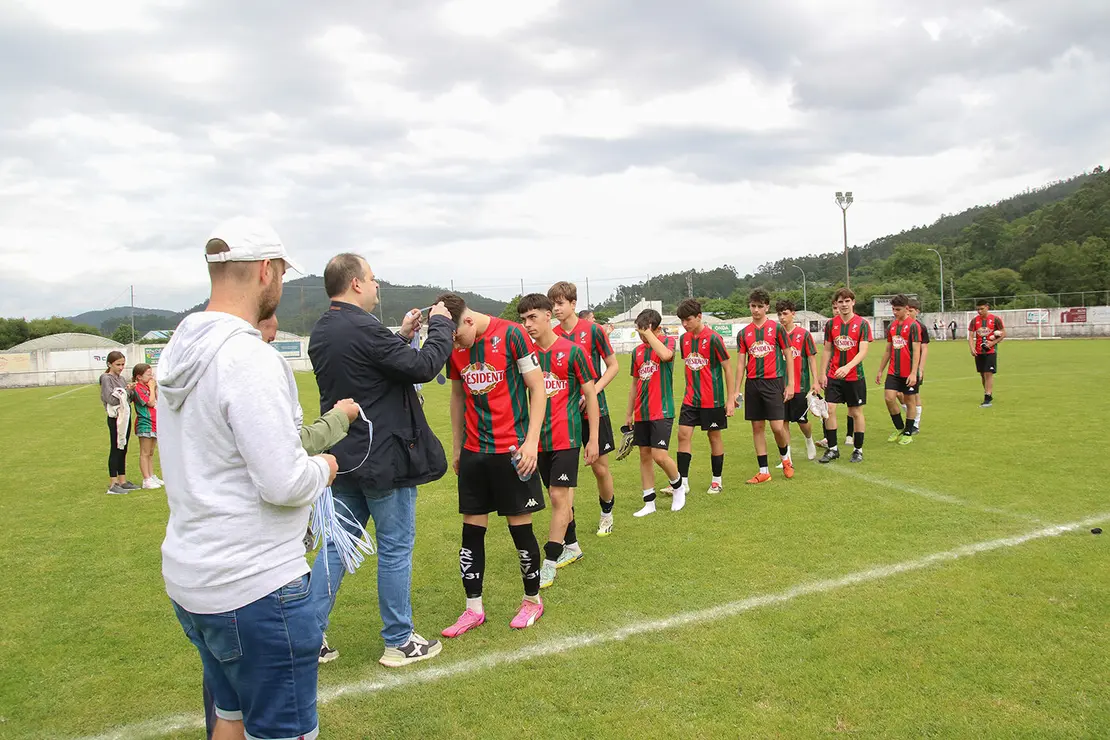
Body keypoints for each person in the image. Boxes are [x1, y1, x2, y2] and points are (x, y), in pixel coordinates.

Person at [159, 216, 337, 740]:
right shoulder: (247, 357)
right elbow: (283, 482)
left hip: (196, 580)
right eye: (280, 273)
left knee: (229, 718)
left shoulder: (179, 349)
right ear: (267, 271)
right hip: (255, 587)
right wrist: (325, 467)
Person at [308, 253, 454, 667]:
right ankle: (399, 640)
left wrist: (401, 333)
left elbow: (371, 365)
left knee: (336, 546)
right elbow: (423, 365)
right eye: (372, 280)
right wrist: (440, 324)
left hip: (344, 456)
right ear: (355, 283)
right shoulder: (363, 329)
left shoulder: (325, 328)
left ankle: (308, 635)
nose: (377, 287)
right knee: (394, 547)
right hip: (384, 457)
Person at [437, 292, 549, 637]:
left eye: (456, 334)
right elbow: (457, 397)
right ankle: (473, 609)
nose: (454, 341)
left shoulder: (512, 334)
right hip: (474, 453)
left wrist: (531, 442)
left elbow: (538, 387)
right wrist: (457, 446)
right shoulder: (454, 347)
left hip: (513, 451)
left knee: (521, 530)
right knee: (471, 532)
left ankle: (532, 600)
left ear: (468, 320)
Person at [517, 294, 599, 589]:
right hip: (536, 441)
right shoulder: (525, 356)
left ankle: (549, 561)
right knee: (558, 499)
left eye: (532, 318)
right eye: (523, 319)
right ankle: (573, 545)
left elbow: (590, 395)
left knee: (557, 497)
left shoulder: (573, 351)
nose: (527, 324)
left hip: (567, 438)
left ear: (548, 316)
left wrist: (593, 438)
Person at [549, 281, 619, 538]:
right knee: (565, 476)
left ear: (573, 304)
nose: (556, 309)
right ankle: (569, 528)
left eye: (560, 303)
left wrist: (594, 391)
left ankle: (607, 513)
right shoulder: (552, 334)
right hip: (563, 415)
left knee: (599, 468)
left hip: (594, 411)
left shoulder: (593, 331)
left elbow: (612, 366)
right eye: (553, 304)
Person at [626, 308, 686, 515]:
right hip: (642, 412)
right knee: (644, 456)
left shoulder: (668, 342)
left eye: (644, 333)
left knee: (660, 456)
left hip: (662, 410)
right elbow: (634, 384)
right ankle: (649, 502)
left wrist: (650, 334)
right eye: (640, 333)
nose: (642, 337)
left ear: (656, 329)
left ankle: (678, 487)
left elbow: (666, 355)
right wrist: (629, 413)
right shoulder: (637, 352)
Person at [733, 289, 795, 484]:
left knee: (777, 427)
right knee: (757, 427)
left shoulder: (776, 329)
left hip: (773, 382)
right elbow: (741, 363)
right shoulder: (744, 334)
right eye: (753, 306)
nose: (756, 310)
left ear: (767, 307)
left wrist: (790, 384)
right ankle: (763, 471)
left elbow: (788, 355)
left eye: (760, 306)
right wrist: (736, 389)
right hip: (753, 384)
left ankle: (786, 459)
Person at [675, 298, 734, 493]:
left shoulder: (714, 339)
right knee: (683, 435)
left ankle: (716, 480)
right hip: (691, 398)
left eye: (688, 319)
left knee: (713, 436)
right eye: (682, 320)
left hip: (712, 399)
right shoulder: (683, 339)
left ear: (699, 317)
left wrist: (730, 398)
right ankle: (682, 482)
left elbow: (727, 368)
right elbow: (688, 366)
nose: (685, 324)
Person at [817, 288, 872, 464]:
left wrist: (848, 367)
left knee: (856, 412)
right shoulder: (831, 324)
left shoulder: (862, 324)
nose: (844, 305)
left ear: (853, 302)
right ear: (836, 304)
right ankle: (833, 449)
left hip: (854, 376)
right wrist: (822, 373)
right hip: (834, 375)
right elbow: (827, 350)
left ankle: (858, 449)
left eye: (847, 301)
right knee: (829, 409)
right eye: (840, 302)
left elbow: (863, 351)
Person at [874, 294, 921, 445]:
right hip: (894, 371)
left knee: (909, 401)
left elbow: (917, 350)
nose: (895, 312)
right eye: (893, 309)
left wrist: (914, 373)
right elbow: (888, 350)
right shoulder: (892, 326)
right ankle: (900, 427)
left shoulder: (913, 326)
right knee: (889, 398)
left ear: (907, 309)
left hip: (908, 372)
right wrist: (881, 369)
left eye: (898, 309)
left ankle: (908, 432)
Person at [776, 299, 819, 462]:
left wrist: (815, 381)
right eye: (779, 314)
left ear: (793, 314)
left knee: (802, 420)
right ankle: (787, 458)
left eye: (785, 314)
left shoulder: (803, 335)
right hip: (779, 385)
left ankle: (809, 440)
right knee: (783, 422)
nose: (782, 317)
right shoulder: (776, 335)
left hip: (800, 385)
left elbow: (811, 358)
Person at [100, 351, 139, 494]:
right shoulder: (106, 378)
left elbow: (127, 398)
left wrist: (130, 391)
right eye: (118, 364)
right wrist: (126, 392)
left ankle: (122, 480)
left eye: (123, 364)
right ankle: (113, 483)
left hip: (125, 415)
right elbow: (111, 398)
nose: (121, 367)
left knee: (124, 446)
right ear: (109, 364)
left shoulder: (121, 379)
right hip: (115, 417)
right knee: (115, 448)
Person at [131, 362, 163, 490]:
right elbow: (149, 403)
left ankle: (151, 475)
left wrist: (154, 388)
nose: (151, 377)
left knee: (150, 452)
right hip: (145, 423)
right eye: (148, 374)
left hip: (155, 422)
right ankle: (146, 478)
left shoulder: (147, 386)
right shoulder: (137, 388)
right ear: (139, 377)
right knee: (144, 452)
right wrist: (151, 387)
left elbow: (157, 400)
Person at [968, 299, 1005, 407]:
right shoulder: (974, 321)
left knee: (988, 373)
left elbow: (1003, 333)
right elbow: (970, 335)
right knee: (982, 374)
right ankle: (988, 392)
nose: (979, 311)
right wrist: (971, 348)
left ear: (987, 307)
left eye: (982, 309)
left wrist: (992, 343)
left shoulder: (995, 319)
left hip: (991, 351)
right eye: (978, 309)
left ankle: (987, 397)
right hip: (979, 351)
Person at [906, 300, 930, 433]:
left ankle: (915, 423)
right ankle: (911, 415)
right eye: (907, 310)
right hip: (901, 366)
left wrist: (920, 368)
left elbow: (924, 348)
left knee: (914, 394)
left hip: (913, 367)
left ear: (917, 311)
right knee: (898, 394)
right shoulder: (901, 326)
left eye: (911, 310)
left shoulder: (920, 327)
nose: (908, 313)